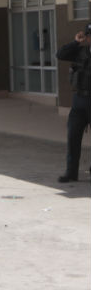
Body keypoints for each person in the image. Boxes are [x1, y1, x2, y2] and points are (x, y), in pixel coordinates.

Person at [55, 24, 91, 183]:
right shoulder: (80, 52)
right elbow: (60, 54)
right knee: (73, 136)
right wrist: (76, 42)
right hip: (79, 101)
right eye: (88, 35)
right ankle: (71, 172)